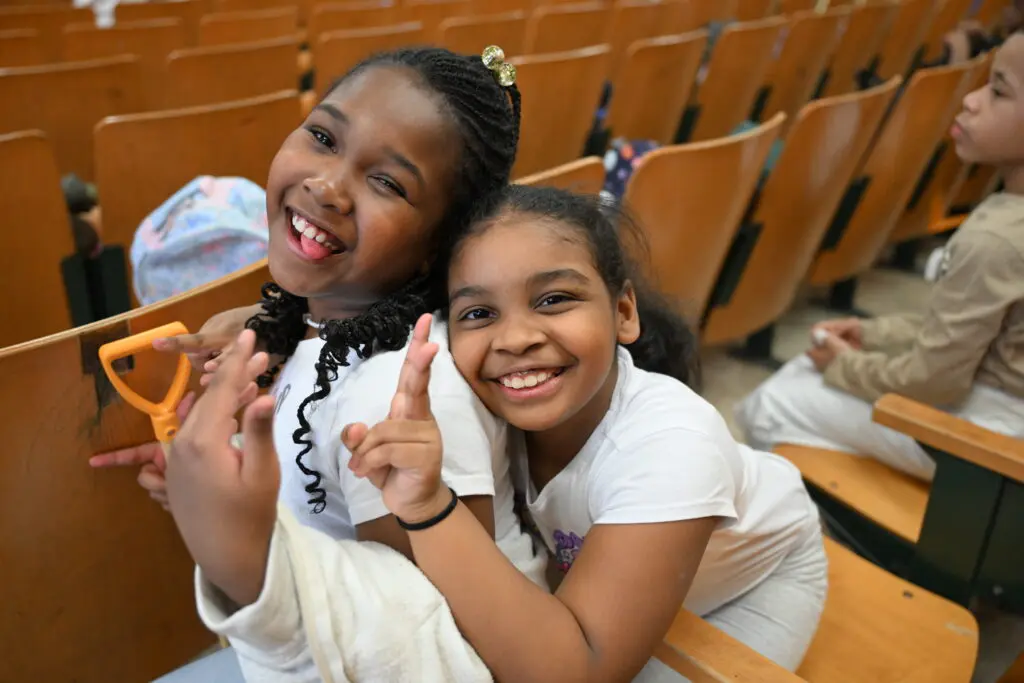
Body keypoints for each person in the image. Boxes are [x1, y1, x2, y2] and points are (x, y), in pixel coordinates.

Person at [92, 45, 545, 680]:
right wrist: (215, 499)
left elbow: (415, 634)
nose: (328, 186)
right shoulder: (311, 323)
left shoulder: (392, 399)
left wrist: (241, 549)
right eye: (324, 136)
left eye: (388, 182)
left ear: (437, 246)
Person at [334, 185, 827, 682]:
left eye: (553, 300)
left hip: (754, 584)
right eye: (479, 313)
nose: (515, 338)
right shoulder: (478, 401)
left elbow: (579, 671)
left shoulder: (675, 444)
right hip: (617, 591)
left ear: (623, 312)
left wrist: (430, 509)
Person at [736, 32, 1024, 482]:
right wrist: (873, 334)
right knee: (805, 373)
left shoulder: (997, 238)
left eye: (999, 91)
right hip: (1001, 415)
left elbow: (937, 380)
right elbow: (971, 334)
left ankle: (823, 531)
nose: (970, 99)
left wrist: (846, 366)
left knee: (774, 400)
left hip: (989, 442)